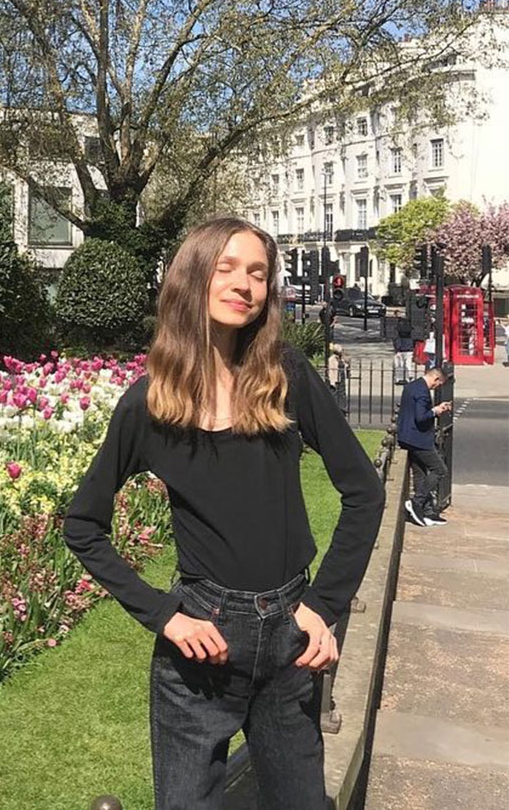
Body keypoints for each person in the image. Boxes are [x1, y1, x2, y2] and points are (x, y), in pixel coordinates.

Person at [63, 216, 385, 810]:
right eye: (228, 268)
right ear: (193, 279)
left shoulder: (284, 378)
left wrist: (325, 606)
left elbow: (364, 491)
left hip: (291, 636)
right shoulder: (150, 404)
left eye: (258, 273)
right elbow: (83, 524)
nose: (245, 285)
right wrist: (166, 616)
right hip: (200, 647)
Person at [396, 367, 452, 527]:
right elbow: (421, 418)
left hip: (406, 436)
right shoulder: (423, 392)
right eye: (438, 384)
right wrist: (435, 411)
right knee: (440, 470)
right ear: (435, 379)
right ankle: (416, 502)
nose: (437, 388)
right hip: (418, 439)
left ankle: (426, 512)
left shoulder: (412, 386)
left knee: (420, 474)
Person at [327, 343, 349, 415]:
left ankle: (343, 408)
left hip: (342, 377)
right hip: (336, 377)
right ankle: (335, 408)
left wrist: (346, 359)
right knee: (335, 393)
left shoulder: (342, 358)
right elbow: (331, 370)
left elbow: (347, 365)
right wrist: (332, 381)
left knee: (342, 393)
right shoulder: (332, 359)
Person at [393, 317, 414, 384]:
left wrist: (396, 348)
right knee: (408, 364)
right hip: (409, 349)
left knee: (399, 365)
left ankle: (399, 378)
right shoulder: (410, 329)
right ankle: (408, 377)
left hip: (400, 350)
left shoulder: (398, 329)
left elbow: (396, 340)